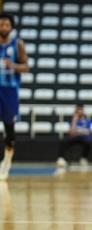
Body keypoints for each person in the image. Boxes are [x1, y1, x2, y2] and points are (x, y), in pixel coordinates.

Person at [0, 13, 29, 180]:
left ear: (11, 27)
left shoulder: (17, 44)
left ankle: (6, 162)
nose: (3, 27)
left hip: (10, 91)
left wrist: (13, 65)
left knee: (9, 127)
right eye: (1, 24)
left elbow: (26, 67)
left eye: (6, 25)